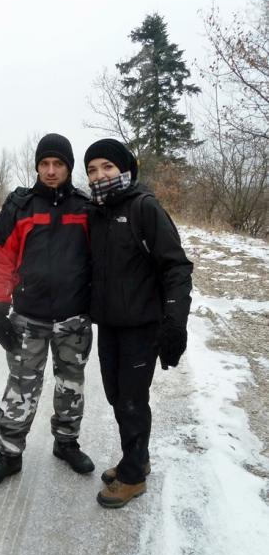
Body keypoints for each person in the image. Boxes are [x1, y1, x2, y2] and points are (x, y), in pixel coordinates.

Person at [0, 133, 94, 490]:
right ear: (37, 167)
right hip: (28, 318)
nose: (51, 171)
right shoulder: (21, 206)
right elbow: (3, 258)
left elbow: (100, 260)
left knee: (71, 385)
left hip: (74, 319)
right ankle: (9, 455)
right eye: (44, 164)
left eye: (58, 164)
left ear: (68, 167)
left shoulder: (85, 208)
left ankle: (66, 443)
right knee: (21, 388)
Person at [84, 139, 193, 508]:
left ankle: (132, 477)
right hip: (109, 325)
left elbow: (177, 266)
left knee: (132, 400)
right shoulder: (97, 212)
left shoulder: (143, 207)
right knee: (117, 397)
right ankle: (137, 458)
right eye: (92, 170)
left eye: (107, 167)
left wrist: (175, 322)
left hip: (141, 326)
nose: (100, 175)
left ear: (125, 169)